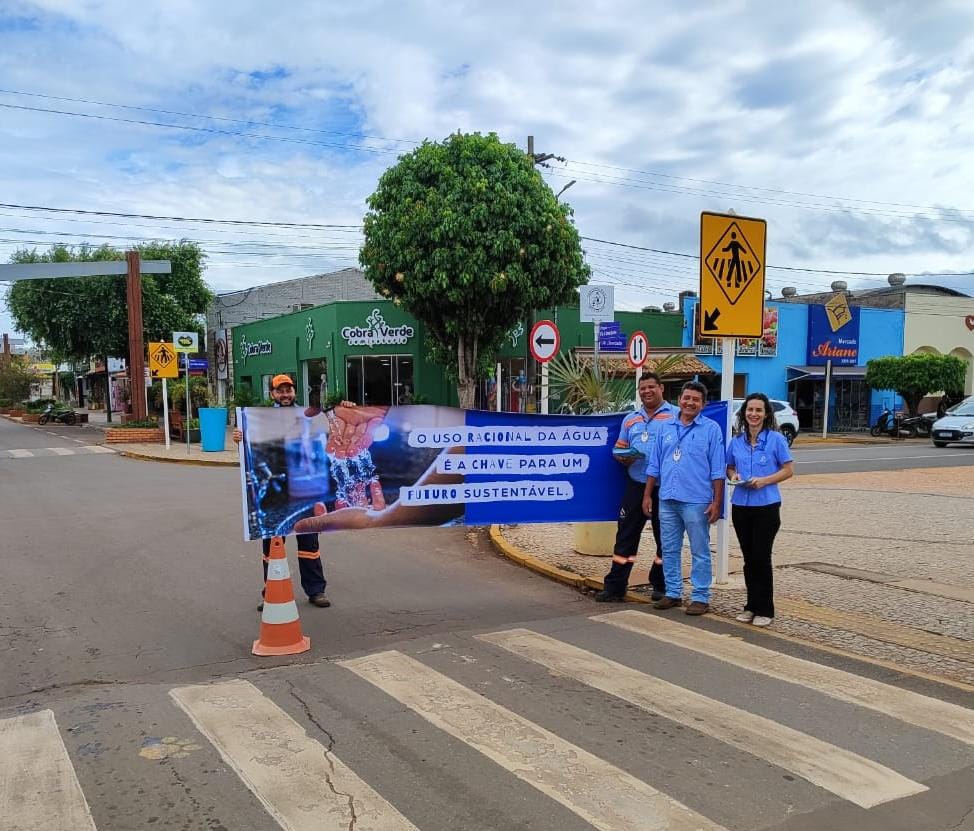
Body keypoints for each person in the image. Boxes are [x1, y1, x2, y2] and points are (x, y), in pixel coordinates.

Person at [233, 373, 357, 610]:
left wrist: (345, 409)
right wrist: (240, 438)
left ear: (294, 393)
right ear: (272, 394)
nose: (285, 394)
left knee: (309, 542)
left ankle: (316, 590)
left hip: (307, 489)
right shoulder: (261, 419)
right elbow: (252, 447)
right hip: (276, 491)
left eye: (288, 390)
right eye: (280, 390)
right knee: (272, 545)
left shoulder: (311, 416)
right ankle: (271, 592)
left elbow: (336, 428)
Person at [642, 380, 725, 616]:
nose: (690, 403)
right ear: (679, 400)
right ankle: (673, 592)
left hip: (696, 500)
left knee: (700, 550)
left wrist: (716, 502)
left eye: (695, 400)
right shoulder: (665, 428)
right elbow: (654, 465)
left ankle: (700, 596)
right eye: (686, 398)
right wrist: (647, 495)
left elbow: (718, 470)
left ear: (703, 404)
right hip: (667, 498)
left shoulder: (711, 430)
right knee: (668, 548)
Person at [595, 372, 676, 603]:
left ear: (661, 388)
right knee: (625, 536)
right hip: (635, 484)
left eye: (651, 387)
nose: (647, 391)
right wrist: (623, 456)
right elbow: (620, 447)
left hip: (666, 487)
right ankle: (615, 587)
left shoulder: (675, 416)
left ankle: (661, 585)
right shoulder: (630, 419)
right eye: (643, 388)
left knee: (666, 538)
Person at [726, 392, 794, 627]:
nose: (753, 414)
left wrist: (765, 480)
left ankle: (766, 608)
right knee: (748, 559)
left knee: (761, 557)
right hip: (741, 506)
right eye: (750, 410)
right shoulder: (736, 441)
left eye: (758, 410)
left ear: (766, 415)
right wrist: (733, 475)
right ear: (744, 413)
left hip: (766, 506)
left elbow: (788, 470)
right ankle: (750, 606)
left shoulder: (776, 439)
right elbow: (730, 467)